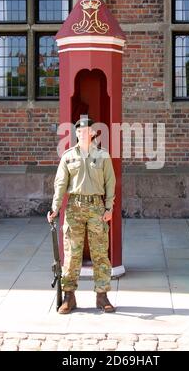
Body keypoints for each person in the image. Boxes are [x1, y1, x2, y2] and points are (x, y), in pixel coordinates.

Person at [47, 117, 116, 314]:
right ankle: (69, 296)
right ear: (76, 133)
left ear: (93, 133)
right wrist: (55, 208)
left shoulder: (103, 156)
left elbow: (110, 184)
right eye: (80, 130)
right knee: (71, 254)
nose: (83, 133)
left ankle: (102, 296)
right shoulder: (68, 157)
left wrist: (109, 208)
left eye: (87, 130)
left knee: (100, 253)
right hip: (74, 208)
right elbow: (60, 184)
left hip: (96, 208)